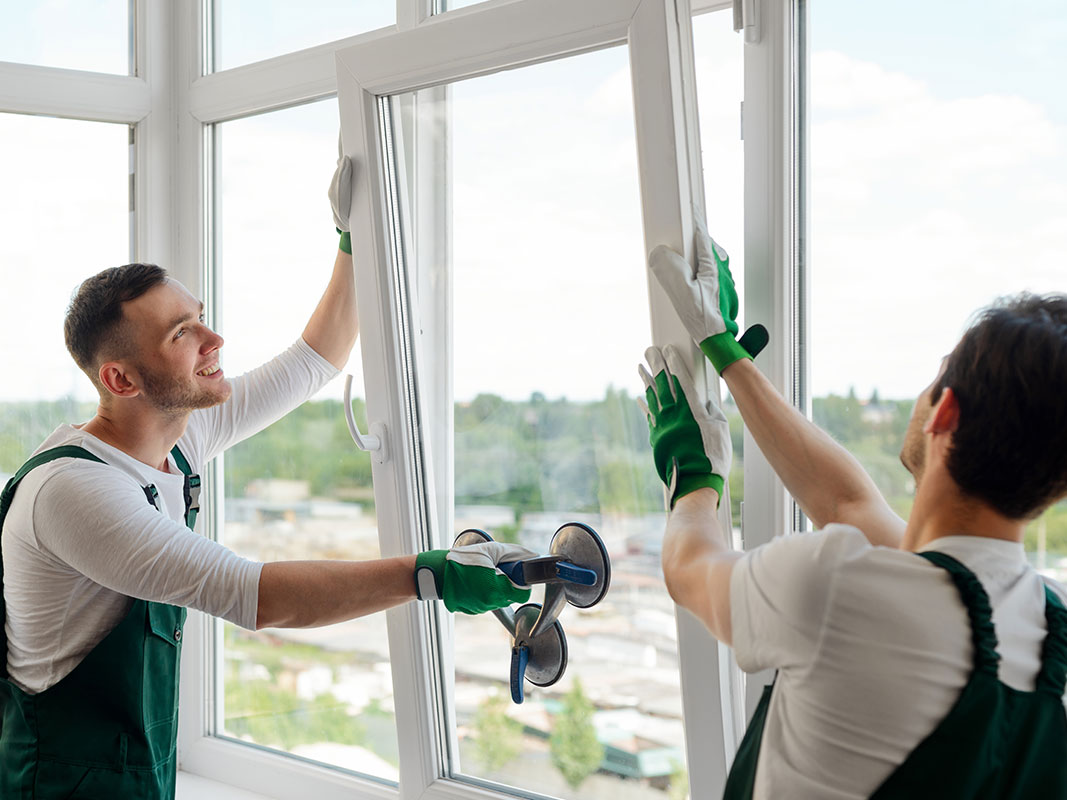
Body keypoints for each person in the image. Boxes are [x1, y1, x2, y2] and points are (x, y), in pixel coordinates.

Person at [0, 153, 535, 799]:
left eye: (200, 314)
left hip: (130, 771)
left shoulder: (178, 435)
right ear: (122, 379)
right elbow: (258, 595)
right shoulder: (78, 491)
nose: (214, 338)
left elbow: (315, 361)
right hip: (57, 783)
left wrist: (353, 240)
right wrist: (430, 573)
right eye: (182, 332)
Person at [639, 215, 1067, 799]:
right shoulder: (1049, 621)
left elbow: (687, 571)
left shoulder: (838, 588)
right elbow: (846, 502)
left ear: (945, 414)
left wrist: (694, 475)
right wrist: (727, 355)